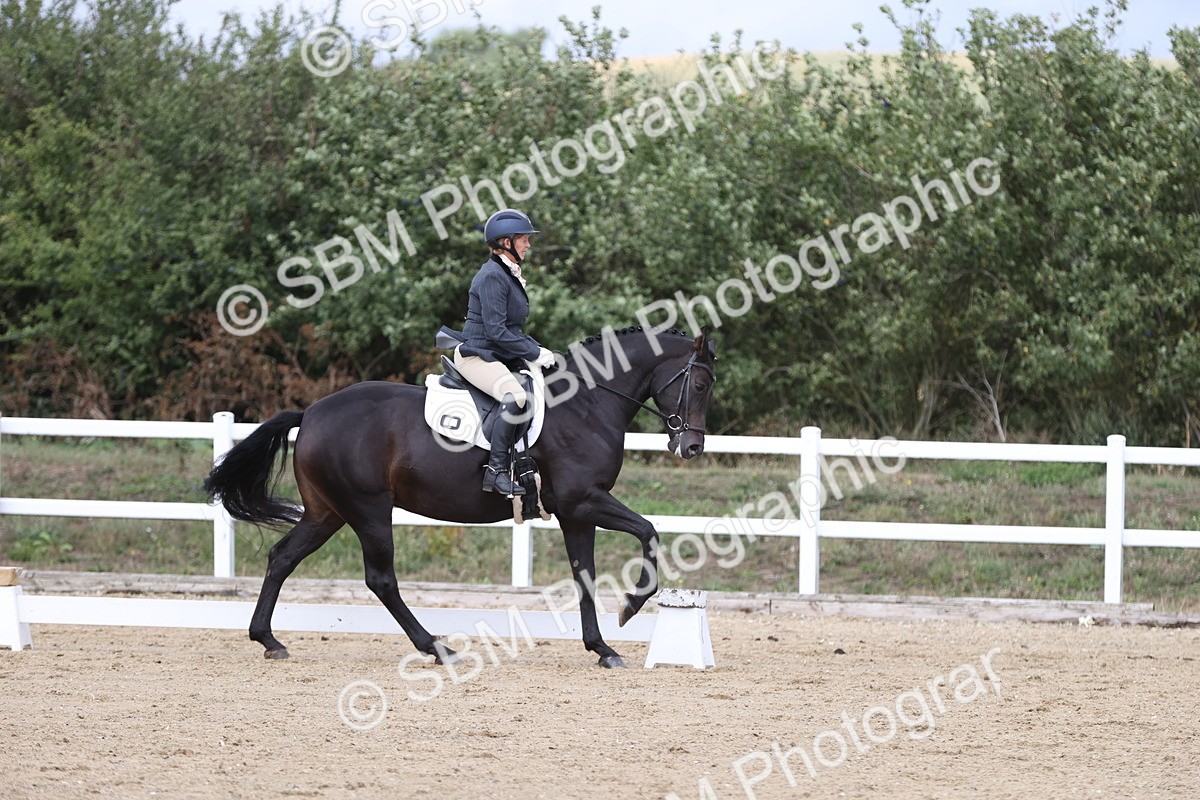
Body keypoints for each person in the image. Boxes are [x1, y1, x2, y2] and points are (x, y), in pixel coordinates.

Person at [455, 208, 556, 496]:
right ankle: (496, 471)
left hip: (497, 354)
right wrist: (533, 353)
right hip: (476, 356)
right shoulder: (491, 276)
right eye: (524, 239)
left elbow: (511, 329)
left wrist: (539, 350)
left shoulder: (506, 274)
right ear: (507, 242)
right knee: (517, 396)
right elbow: (497, 331)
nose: (529, 245)